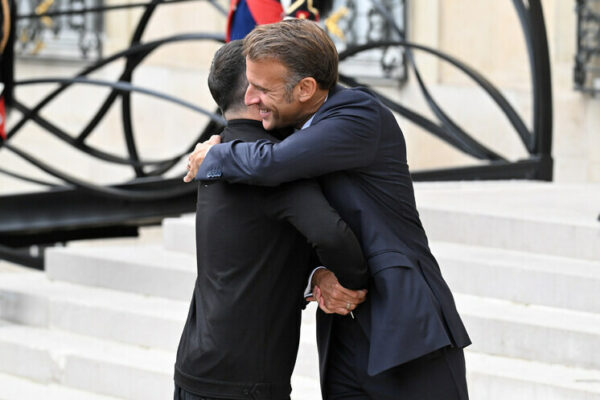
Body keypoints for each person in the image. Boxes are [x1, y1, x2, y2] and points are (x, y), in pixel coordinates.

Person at [184, 19, 471, 400]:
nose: (250, 98)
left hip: (405, 322)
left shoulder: (358, 114)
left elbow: (274, 164)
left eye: (262, 88)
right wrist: (317, 273)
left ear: (305, 88)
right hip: (342, 330)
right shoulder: (289, 128)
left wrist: (215, 155)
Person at [174, 40, 368, 400]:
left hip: (194, 367)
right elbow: (332, 235)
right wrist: (353, 285)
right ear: (254, 94)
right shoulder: (271, 165)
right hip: (245, 381)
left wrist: (315, 275)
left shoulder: (214, 152)